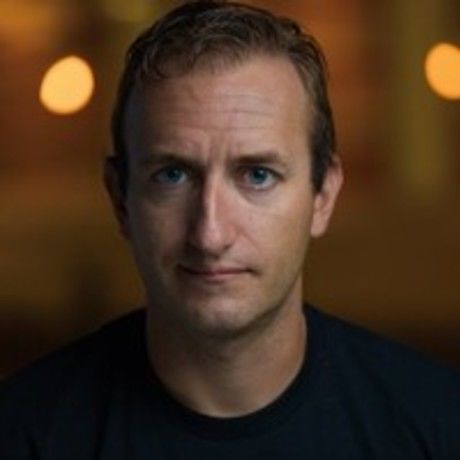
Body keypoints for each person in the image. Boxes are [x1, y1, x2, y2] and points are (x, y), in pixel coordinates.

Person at [1, 1, 459, 458]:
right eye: (173, 175)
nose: (211, 234)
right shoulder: (23, 433)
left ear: (323, 195)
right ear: (120, 199)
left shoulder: (438, 426)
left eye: (258, 175)